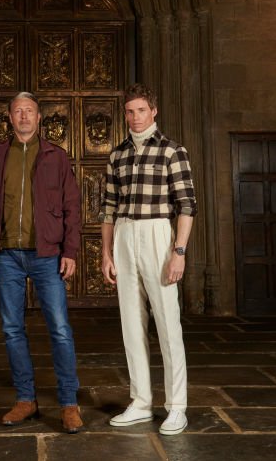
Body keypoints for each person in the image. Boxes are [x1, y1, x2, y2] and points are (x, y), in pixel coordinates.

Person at [0, 91, 84, 434]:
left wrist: (70, 251)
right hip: (7, 255)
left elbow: (72, 207)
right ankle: (26, 399)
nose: (23, 116)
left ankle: (69, 403)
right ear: (10, 118)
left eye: (29, 111)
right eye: (18, 111)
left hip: (47, 254)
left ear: (39, 118)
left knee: (61, 331)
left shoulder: (56, 156)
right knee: (11, 329)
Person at [100, 83, 196, 435]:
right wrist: (107, 254)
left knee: (168, 325)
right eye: (130, 111)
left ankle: (176, 406)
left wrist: (179, 252)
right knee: (131, 325)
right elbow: (108, 210)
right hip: (124, 235)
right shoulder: (117, 155)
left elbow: (186, 206)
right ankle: (141, 402)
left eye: (141, 110)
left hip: (158, 235)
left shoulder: (173, 151)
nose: (135, 117)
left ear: (153, 111)